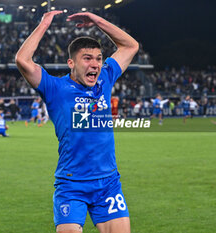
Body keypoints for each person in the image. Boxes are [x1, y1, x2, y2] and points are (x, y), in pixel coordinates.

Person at [15, 10, 139, 233]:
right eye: (87, 58)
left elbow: (130, 46)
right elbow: (22, 60)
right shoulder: (55, 88)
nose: (95, 64)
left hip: (108, 182)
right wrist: (44, 24)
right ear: (71, 63)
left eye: (99, 59)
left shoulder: (105, 78)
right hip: (72, 184)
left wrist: (97, 21)